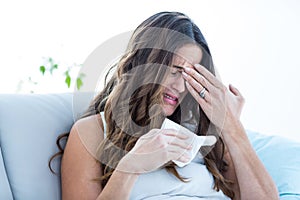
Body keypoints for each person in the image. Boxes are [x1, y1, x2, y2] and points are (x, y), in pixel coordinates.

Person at [50, 11, 279, 199]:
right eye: (174, 71)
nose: (180, 87)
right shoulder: (92, 132)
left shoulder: (202, 134)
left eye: (190, 75)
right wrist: (131, 167)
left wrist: (231, 125)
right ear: (144, 65)